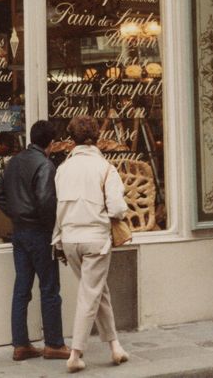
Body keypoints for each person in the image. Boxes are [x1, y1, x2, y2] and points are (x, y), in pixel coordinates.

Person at [52, 115, 129, 373]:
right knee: (90, 293)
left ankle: (115, 345)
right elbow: (118, 208)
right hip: (96, 239)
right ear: (97, 138)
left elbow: (59, 204)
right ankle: (76, 353)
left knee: (96, 290)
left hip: (69, 239)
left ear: (71, 138)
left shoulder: (63, 169)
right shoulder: (105, 168)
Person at [0, 119, 70, 362]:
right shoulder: (45, 165)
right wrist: (52, 231)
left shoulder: (14, 162)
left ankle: (20, 344)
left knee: (21, 288)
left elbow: (2, 197)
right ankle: (54, 344)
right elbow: (46, 202)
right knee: (49, 289)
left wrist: (17, 215)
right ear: (51, 142)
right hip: (39, 233)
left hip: (19, 232)